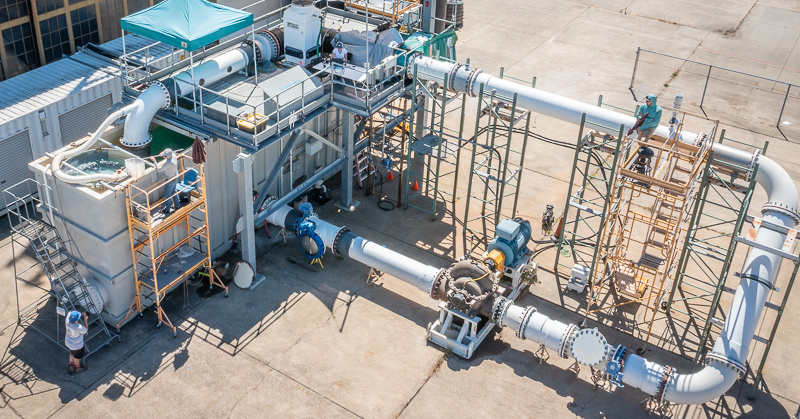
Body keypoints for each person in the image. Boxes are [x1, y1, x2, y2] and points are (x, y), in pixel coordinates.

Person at [150, 148, 180, 214]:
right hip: (176, 177)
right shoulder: (174, 155)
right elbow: (171, 153)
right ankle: (177, 205)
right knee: (174, 191)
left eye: (164, 156)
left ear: (167, 156)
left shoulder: (169, 163)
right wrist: (162, 154)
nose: (163, 157)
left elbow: (159, 169)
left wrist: (154, 161)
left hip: (170, 180)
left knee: (168, 195)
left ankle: (167, 209)